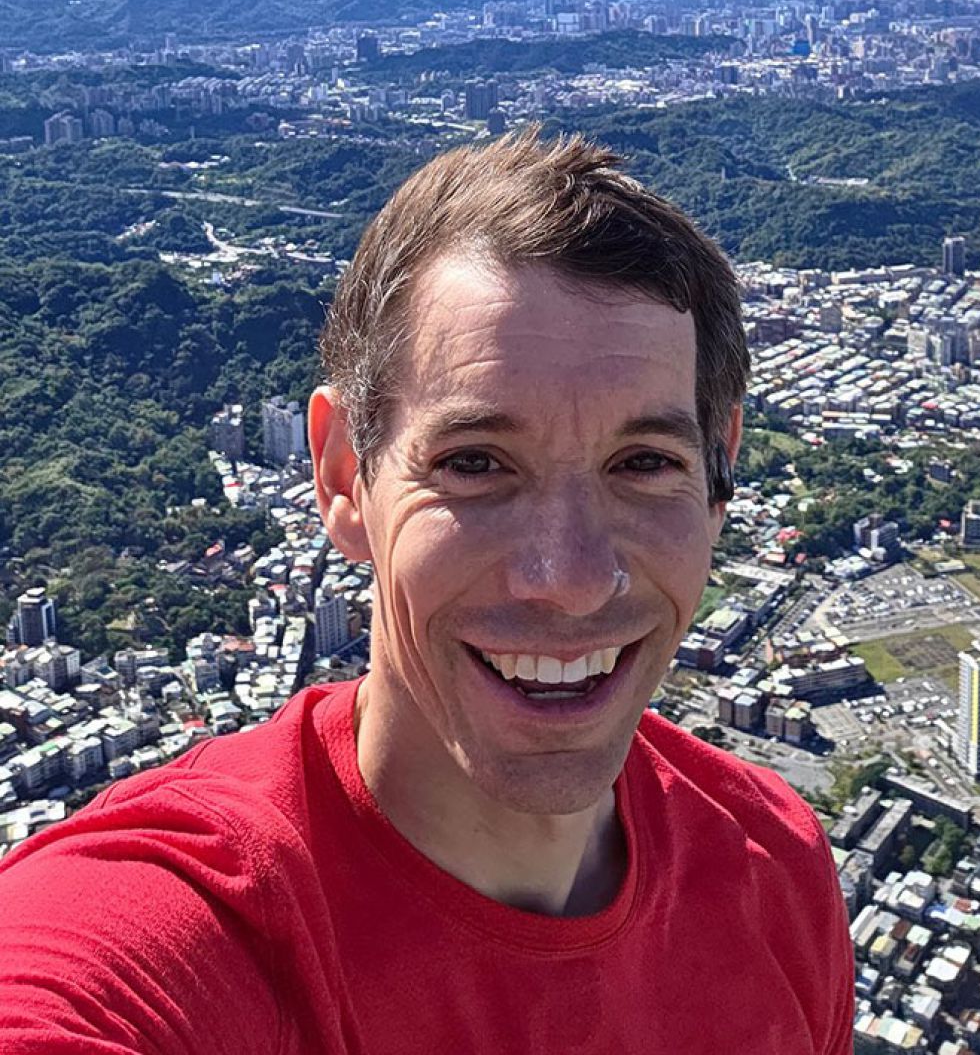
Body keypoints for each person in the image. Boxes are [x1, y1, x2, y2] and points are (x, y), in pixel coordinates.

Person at [0, 128, 856, 1052]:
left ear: (720, 471)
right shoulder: (187, 929)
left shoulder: (778, 870)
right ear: (341, 477)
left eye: (644, 463)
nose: (567, 580)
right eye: (476, 463)